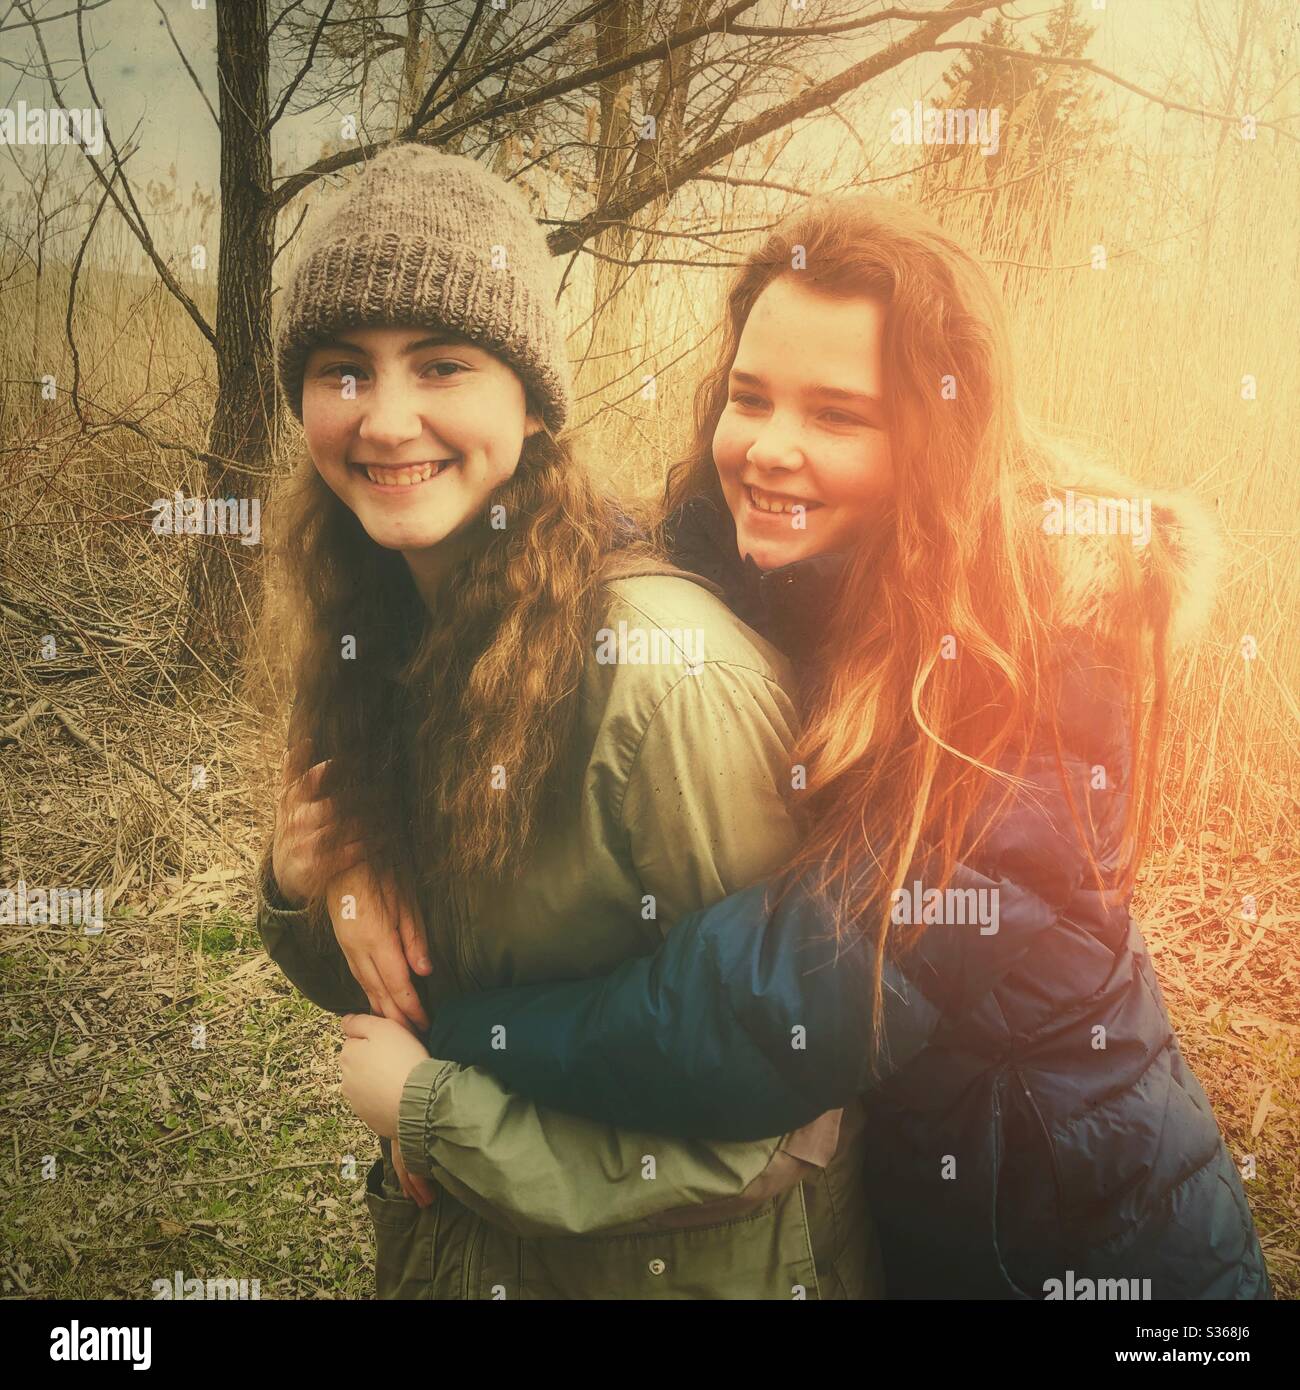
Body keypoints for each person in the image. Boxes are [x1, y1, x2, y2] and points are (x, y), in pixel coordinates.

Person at [330, 192, 1272, 1300]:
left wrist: (454, 1042)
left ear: (936, 439)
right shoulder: (768, 559)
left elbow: (770, 1004)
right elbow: (564, 573)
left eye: (837, 415)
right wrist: (358, 838)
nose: (771, 448)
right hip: (913, 1204)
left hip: (1076, 1237)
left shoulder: (1032, 676)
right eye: (750, 396)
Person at [253, 144, 878, 1300]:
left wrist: (440, 1116)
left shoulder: (659, 682)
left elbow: (783, 1116)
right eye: (344, 370)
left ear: (534, 398)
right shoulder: (373, 618)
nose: (387, 420)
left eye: (441, 364)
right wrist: (308, 885)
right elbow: (413, 987)